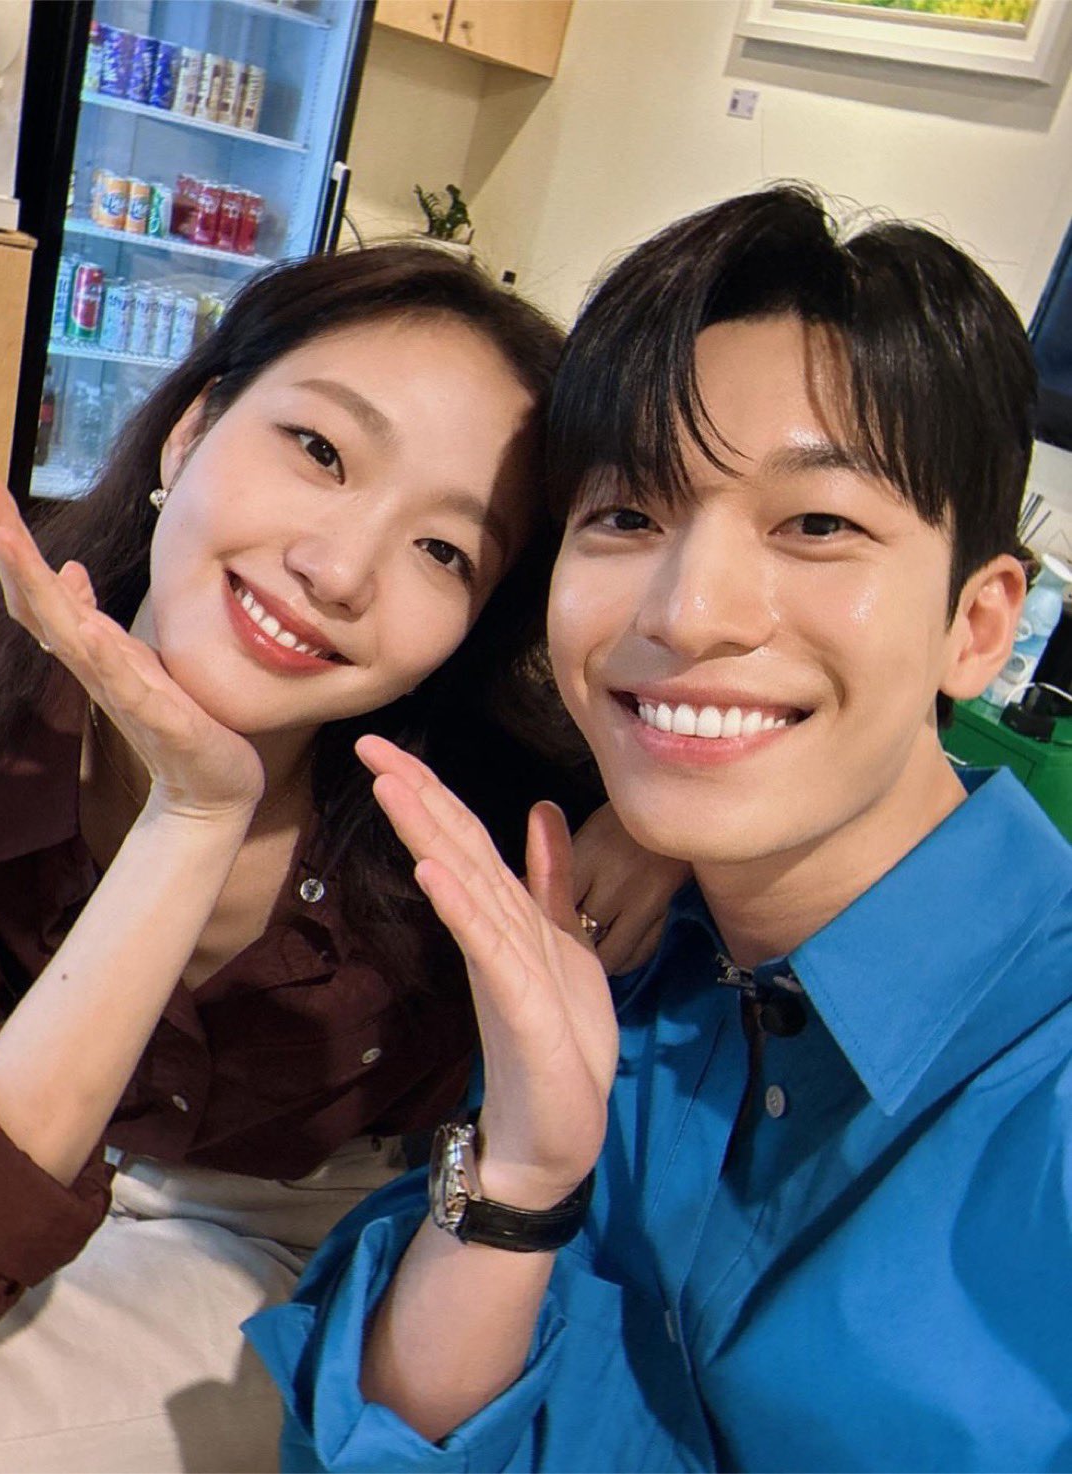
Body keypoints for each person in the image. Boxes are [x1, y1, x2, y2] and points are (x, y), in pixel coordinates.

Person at [244, 186, 1072, 1472]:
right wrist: (520, 1179)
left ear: (977, 625)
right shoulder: (604, 952)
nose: (687, 613)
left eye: (817, 524)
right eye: (627, 516)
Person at [0, 243, 684, 1473]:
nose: (339, 570)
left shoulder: (476, 803)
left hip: (273, 1237)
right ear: (192, 429)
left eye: (445, 552)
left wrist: (656, 816)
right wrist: (192, 815)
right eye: (321, 450)